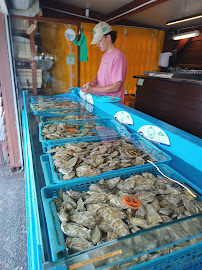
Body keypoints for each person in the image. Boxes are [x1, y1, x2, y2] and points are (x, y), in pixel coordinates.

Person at [81, 21, 127, 103]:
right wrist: (92, 82)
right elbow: (99, 74)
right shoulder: (105, 55)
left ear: (108, 37)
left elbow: (116, 86)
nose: (97, 44)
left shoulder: (118, 57)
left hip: (112, 103)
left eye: (99, 40)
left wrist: (92, 89)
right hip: (101, 99)